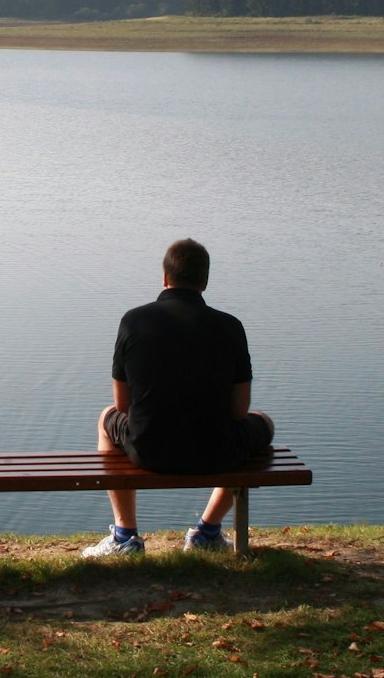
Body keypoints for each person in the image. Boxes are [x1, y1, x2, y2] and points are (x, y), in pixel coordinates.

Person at [84, 238, 275, 557]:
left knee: (107, 418)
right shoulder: (230, 327)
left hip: (149, 449)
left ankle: (125, 535)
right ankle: (207, 531)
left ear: (165, 278)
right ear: (205, 281)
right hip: (217, 451)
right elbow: (240, 411)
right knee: (263, 423)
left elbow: (123, 406)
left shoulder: (133, 321)